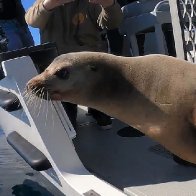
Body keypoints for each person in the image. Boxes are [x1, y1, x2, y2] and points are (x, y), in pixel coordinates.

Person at [25, 0, 123, 130]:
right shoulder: (43, 1)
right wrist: (50, 4)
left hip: (88, 62)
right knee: (68, 123)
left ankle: (97, 111)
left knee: (102, 109)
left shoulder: (89, 3)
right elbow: (32, 21)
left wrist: (108, 4)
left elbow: (111, 23)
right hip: (58, 66)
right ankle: (70, 118)